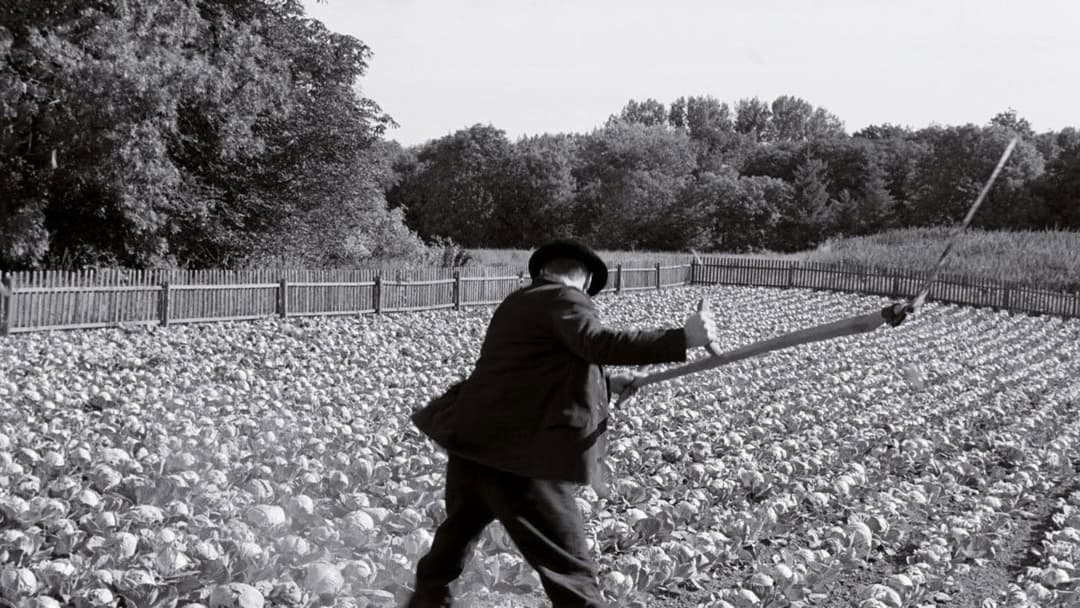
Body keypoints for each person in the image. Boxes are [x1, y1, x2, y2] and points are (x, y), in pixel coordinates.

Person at [406, 239, 718, 608]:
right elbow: (596, 343)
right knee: (571, 574)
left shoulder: (517, 303)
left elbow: (531, 371)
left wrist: (605, 383)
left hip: (472, 449)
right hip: (520, 461)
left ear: (542, 270)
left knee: (448, 552)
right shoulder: (564, 298)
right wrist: (684, 337)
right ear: (585, 279)